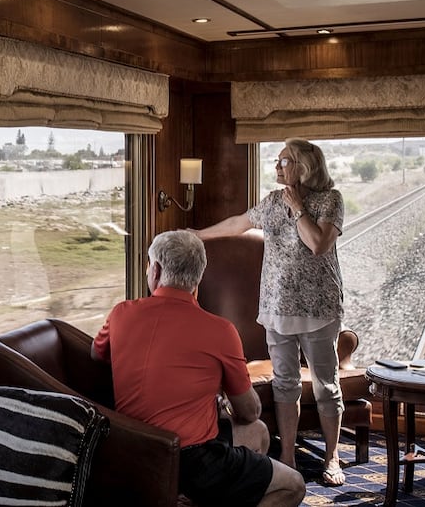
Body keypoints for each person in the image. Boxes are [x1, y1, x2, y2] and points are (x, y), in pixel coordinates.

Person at [91, 230, 305, 507]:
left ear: (155, 270)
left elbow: (97, 354)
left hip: (134, 449)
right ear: (198, 278)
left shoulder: (121, 313)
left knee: (259, 432)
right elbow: (249, 410)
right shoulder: (220, 331)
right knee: (293, 485)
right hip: (191, 461)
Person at [192, 137, 346, 487]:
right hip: (276, 309)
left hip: (318, 311)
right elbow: (239, 224)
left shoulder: (330, 201)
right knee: (285, 384)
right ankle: (288, 455)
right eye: (276, 161)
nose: (277, 167)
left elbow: (318, 244)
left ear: (304, 167)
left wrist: (297, 209)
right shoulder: (273, 200)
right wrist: (198, 234)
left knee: (326, 386)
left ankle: (332, 456)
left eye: (284, 161)